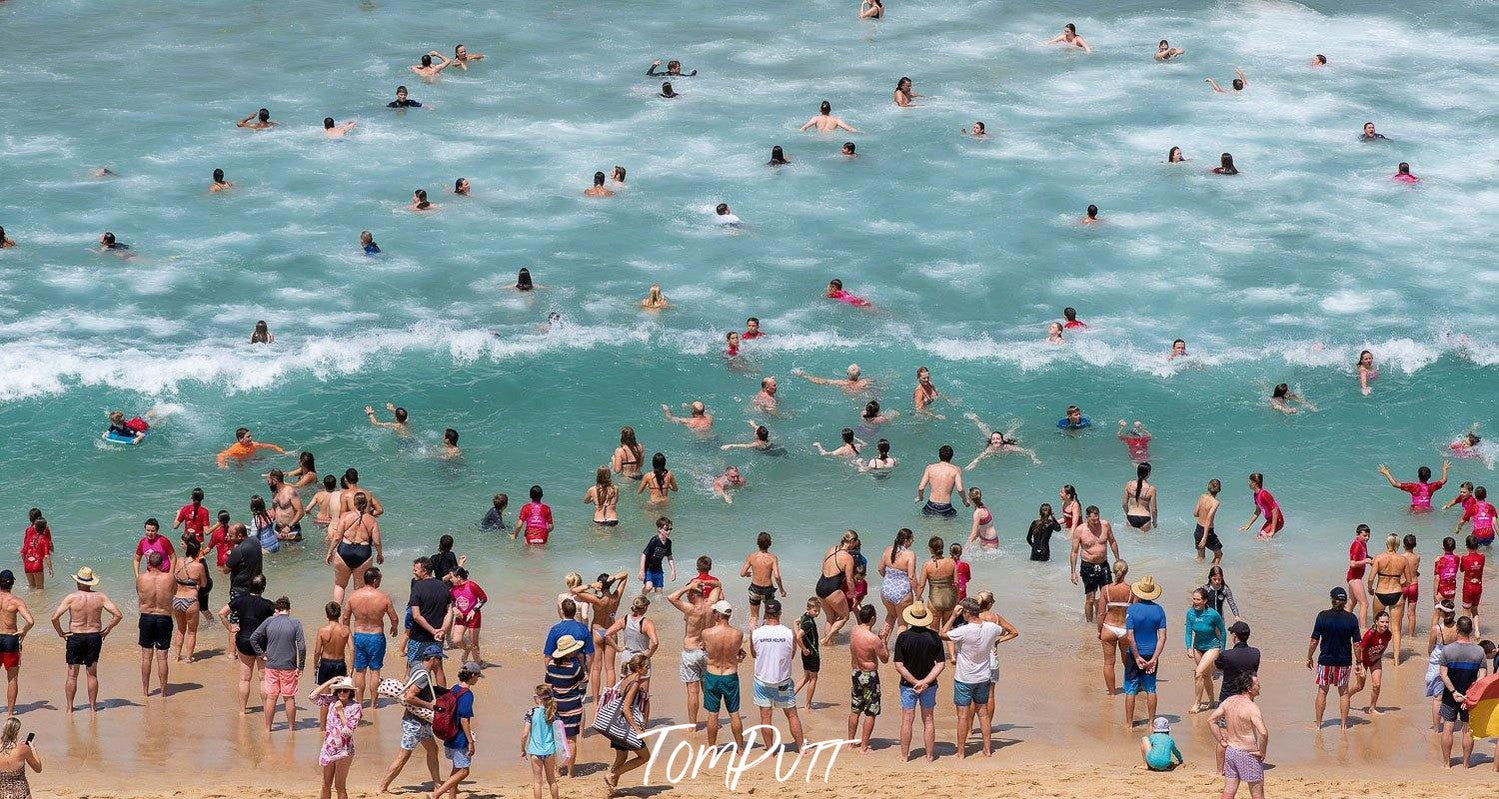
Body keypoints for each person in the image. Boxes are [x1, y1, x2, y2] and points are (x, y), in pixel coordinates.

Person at [941, 597, 1014, 758]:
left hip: (964, 677)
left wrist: (952, 616)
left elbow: (942, 634)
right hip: (983, 676)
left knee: (962, 716)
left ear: (966, 613)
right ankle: (987, 749)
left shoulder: (963, 631)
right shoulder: (991, 628)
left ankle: (961, 752)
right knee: (984, 714)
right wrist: (998, 642)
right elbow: (1010, 631)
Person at [51, 567, 123, 714]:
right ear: (91, 582)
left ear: (78, 582)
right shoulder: (100, 597)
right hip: (94, 637)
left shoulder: (71, 598)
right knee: (92, 674)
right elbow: (118, 615)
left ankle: (70, 708)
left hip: (75, 637)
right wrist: (107, 629)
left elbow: (54, 617)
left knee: (72, 674)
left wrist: (61, 633)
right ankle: (92, 707)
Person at [378, 644, 445, 793]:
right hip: (414, 723)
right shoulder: (423, 676)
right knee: (403, 756)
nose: (440, 662)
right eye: (439, 659)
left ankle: (437, 784)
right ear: (433, 659)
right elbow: (409, 697)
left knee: (433, 750)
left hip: (421, 722)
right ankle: (382, 787)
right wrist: (430, 705)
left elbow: (409, 664)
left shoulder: (418, 667)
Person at [750, 600, 804, 748]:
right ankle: (801, 748)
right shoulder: (789, 633)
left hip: (762, 681)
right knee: (792, 714)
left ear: (765, 613)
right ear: (780, 613)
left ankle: (770, 749)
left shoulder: (756, 633)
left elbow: (754, 654)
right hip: (783, 682)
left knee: (766, 716)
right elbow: (791, 655)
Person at [893, 603, 944, 762]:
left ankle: (904, 756)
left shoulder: (903, 637)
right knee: (928, 719)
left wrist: (916, 682)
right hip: (929, 685)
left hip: (908, 685)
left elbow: (898, 665)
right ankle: (929, 756)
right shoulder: (934, 636)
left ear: (911, 618)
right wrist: (925, 682)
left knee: (907, 719)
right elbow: (940, 664)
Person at [342, 567, 398, 708]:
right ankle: (373, 703)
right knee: (375, 671)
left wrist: (347, 633)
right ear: (375, 580)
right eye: (380, 579)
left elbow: (345, 617)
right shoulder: (383, 597)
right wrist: (394, 627)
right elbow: (394, 618)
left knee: (360, 671)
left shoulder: (353, 596)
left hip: (359, 636)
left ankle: (359, 703)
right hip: (376, 637)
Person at [1308, 586, 1362, 729]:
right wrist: (1359, 661)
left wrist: (1309, 657)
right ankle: (1344, 725)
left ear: (1332, 599)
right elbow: (1357, 644)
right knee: (1344, 692)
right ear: (1345, 602)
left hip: (1325, 660)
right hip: (1344, 661)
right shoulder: (1351, 619)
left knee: (1322, 691)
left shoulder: (1322, 616)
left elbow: (1314, 640)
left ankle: (1319, 725)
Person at [1437, 616, 1487, 767]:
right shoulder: (1479, 651)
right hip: (1470, 697)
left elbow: (1443, 675)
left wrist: (1453, 692)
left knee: (1448, 727)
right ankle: (1465, 764)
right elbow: (1483, 677)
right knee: (1467, 729)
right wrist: (1469, 694)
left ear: (1457, 630)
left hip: (1450, 695)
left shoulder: (1447, 650)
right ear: (1471, 631)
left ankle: (1446, 764)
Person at [250, 596, 306, 732]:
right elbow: (302, 647)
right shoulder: (295, 623)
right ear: (289, 610)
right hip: (289, 666)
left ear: (276, 609)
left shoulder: (269, 621)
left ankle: (268, 728)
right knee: (289, 698)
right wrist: (301, 666)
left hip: (271, 666)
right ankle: (292, 728)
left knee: (271, 697)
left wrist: (261, 654)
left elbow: (253, 638)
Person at [1209, 675, 1269, 799]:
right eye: (1257, 684)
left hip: (1231, 751)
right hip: (1248, 753)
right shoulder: (1252, 707)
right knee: (1257, 794)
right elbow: (1263, 733)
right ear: (1249, 689)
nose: (1259, 686)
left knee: (1229, 791)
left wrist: (1221, 740)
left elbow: (1211, 720)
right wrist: (1262, 752)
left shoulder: (1229, 701)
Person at [700, 600, 746, 748]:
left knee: (713, 714)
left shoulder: (706, 633)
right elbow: (735, 652)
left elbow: (707, 649)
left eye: (715, 612)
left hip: (712, 674)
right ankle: (740, 748)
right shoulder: (738, 634)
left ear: (718, 614)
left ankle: (712, 748)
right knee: (734, 713)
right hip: (730, 675)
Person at [603, 655, 651, 795]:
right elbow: (626, 708)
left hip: (618, 725)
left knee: (621, 757)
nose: (648, 669)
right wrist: (636, 728)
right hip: (626, 727)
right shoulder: (635, 683)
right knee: (645, 757)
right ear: (638, 668)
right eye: (646, 666)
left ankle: (611, 790)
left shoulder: (626, 679)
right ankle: (612, 776)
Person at [1123, 575, 1166, 726]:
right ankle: (1151, 722)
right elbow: (1162, 637)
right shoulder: (1159, 610)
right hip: (1151, 653)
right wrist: (1154, 658)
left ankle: (1129, 723)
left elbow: (1130, 637)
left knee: (1130, 689)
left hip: (1134, 653)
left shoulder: (1132, 610)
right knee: (1151, 688)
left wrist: (1136, 656)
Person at [432, 663, 480, 799]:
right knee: (464, 771)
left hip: (449, 734)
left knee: (456, 769)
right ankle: (436, 794)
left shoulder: (454, 688)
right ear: (472, 675)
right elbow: (464, 720)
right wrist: (470, 741)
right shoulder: (467, 694)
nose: (477, 679)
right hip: (459, 737)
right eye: (477, 676)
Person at [309, 675, 361, 799]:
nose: (342, 693)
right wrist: (329, 681)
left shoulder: (356, 707)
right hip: (328, 748)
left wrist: (340, 711)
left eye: (345, 690)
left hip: (344, 750)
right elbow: (312, 696)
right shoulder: (332, 700)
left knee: (340, 786)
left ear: (351, 692)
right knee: (325, 784)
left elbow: (348, 731)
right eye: (339, 690)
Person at [846, 604, 887, 751]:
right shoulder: (873, 639)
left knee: (855, 708)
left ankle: (850, 743)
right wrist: (883, 640)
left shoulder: (854, 631)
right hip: (869, 675)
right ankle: (863, 746)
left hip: (855, 672)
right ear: (873, 618)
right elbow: (885, 658)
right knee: (871, 711)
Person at [1071, 505, 1120, 623]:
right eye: (1093, 520)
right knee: (1090, 598)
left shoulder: (1105, 525)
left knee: (1108, 595)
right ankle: (1089, 624)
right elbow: (1074, 552)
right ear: (1087, 518)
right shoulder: (1080, 530)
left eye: (1097, 519)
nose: (1096, 522)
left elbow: (1112, 541)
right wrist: (1073, 572)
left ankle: (1104, 620)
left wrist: (1118, 560)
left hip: (1103, 564)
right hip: (1088, 566)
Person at [1185, 588, 1226, 712]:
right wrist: (1189, 647)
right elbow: (1188, 633)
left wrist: (1222, 650)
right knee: (1206, 675)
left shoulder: (1213, 614)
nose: (1195, 602)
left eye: (1198, 599)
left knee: (1198, 673)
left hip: (1212, 647)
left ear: (1205, 600)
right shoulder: (1190, 613)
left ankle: (1197, 704)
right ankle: (1212, 702)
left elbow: (1223, 631)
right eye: (1194, 599)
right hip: (1198, 647)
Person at [0, 571, 34, 716]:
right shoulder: (16, 601)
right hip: (10, 639)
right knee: (12, 678)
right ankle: (10, 713)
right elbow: (30, 621)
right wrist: (23, 631)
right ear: (12, 584)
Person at [313, 601, 351, 728]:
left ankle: (323, 727)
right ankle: (339, 723)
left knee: (325, 698)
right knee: (340, 696)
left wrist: (315, 665)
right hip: (340, 663)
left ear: (326, 614)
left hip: (326, 664)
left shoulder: (322, 631)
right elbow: (352, 649)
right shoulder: (346, 630)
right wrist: (351, 668)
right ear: (339, 614)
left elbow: (317, 651)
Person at [521, 684, 563, 799]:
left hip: (535, 751)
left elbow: (525, 734)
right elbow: (559, 733)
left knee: (537, 782)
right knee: (552, 780)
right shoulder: (553, 712)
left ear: (539, 698)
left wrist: (523, 749)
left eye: (535, 696)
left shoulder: (531, 712)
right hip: (550, 750)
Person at [815, 532, 856, 643]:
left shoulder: (831, 549)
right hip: (832, 588)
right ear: (852, 541)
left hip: (820, 585)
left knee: (830, 617)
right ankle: (826, 639)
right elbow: (849, 580)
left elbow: (822, 568)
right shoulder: (848, 558)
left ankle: (828, 644)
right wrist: (853, 595)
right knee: (844, 617)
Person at [169, 541, 206, 662]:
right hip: (190, 600)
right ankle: (189, 658)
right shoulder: (198, 566)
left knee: (180, 629)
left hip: (176, 599)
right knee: (191, 632)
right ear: (196, 552)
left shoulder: (179, 561)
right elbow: (204, 584)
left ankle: (177, 656)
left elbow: (173, 576)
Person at [1349, 611, 1392, 714]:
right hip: (1363, 661)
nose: (1385, 625)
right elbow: (1360, 648)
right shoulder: (1370, 634)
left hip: (1375, 661)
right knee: (1360, 687)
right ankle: (1347, 696)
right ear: (1376, 622)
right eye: (1382, 622)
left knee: (1377, 685)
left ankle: (1372, 708)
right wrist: (1360, 665)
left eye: (1387, 622)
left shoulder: (1388, 634)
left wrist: (1379, 655)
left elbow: (1384, 646)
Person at [740, 532, 786, 628]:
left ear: (758, 543)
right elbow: (777, 576)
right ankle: (765, 637)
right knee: (768, 616)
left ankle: (753, 639)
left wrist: (747, 574)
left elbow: (742, 573)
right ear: (769, 544)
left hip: (754, 588)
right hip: (767, 590)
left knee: (754, 617)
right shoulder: (773, 558)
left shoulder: (751, 556)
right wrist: (782, 590)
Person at [964, 413, 1041, 467]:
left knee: (1009, 434)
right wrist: (973, 463)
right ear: (991, 441)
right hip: (998, 443)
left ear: (1001, 441)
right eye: (993, 439)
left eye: (998, 439)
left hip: (1005, 441)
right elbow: (979, 458)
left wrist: (1034, 459)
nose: (995, 440)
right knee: (985, 431)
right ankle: (975, 419)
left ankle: (1015, 426)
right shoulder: (990, 449)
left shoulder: (1009, 447)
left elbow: (1029, 451)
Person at [915, 445, 969, 517]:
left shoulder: (930, 468)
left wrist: (920, 497)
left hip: (931, 505)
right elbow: (960, 489)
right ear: (952, 456)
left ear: (939, 456)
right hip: (946, 507)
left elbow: (921, 488)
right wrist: (965, 500)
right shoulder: (956, 470)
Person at [0, 718, 41, 799]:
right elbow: (38, 769)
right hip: (21, 793)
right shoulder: (23, 749)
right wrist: (33, 749)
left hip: (2, 793)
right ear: (17, 731)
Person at [793, 598, 820, 708]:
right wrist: (804, 648)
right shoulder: (809, 623)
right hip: (812, 653)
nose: (817, 613)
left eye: (818, 610)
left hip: (806, 653)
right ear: (808, 609)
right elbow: (799, 637)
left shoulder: (804, 616)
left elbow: (795, 622)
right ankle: (807, 705)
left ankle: (789, 697)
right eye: (815, 611)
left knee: (806, 677)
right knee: (813, 678)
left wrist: (803, 649)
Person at [216, 426, 287, 468]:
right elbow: (221, 455)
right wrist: (222, 464)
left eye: (250, 436)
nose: (251, 438)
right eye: (248, 437)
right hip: (240, 462)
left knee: (269, 461)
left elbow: (268, 446)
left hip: (251, 459)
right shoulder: (235, 449)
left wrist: (281, 451)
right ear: (241, 439)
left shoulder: (253, 444)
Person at [1240, 473, 1284, 538]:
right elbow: (1257, 511)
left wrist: (1272, 531)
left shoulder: (1264, 494)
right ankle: (1273, 547)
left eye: (1249, 481)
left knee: (1262, 537)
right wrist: (1248, 525)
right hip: (1269, 521)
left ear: (1254, 483)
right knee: (1259, 537)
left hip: (1278, 520)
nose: (1248, 483)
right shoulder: (1256, 495)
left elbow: (1274, 511)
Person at [1346, 524, 1374, 625]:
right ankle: (1363, 629)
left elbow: (1364, 556)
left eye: (1368, 536)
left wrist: (1371, 559)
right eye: (1364, 536)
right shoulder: (1356, 544)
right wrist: (1365, 561)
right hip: (1354, 577)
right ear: (1358, 534)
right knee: (1364, 604)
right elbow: (1353, 563)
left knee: (1352, 602)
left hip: (1356, 577)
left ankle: (1343, 622)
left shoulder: (1363, 544)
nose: (1367, 538)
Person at [640, 517, 676, 592]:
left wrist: (673, 571)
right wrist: (642, 570)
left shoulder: (669, 542)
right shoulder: (654, 540)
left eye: (670, 529)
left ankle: (655, 603)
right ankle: (642, 597)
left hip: (658, 569)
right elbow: (644, 554)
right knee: (649, 587)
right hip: (648, 568)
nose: (669, 532)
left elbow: (669, 557)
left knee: (659, 591)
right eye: (666, 529)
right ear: (659, 529)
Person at [1194, 479, 1224, 564]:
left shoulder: (1202, 496)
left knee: (1200, 557)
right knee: (1219, 555)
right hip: (1208, 533)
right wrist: (1205, 537)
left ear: (1208, 487)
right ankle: (1212, 573)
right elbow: (1208, 519)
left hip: (1198, 529)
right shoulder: (1215, 503)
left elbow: (1195, 513)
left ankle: (1198, 575)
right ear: (1219, 490)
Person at [1122, 462, 1158, 531]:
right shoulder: (1151, 489)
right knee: (1145, 541)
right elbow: (1154, 510)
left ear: (1137, 472)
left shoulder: (1129, 484)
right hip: (1145, 518)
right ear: (1148, 473)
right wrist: (1155, 522)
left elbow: (1124, 504)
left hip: (1131, 516)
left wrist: (1128, 515)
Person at [19, 516, 53, 589]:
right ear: (44, 528)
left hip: (27, 564)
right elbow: (47, 556)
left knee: (31, 586)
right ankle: (39, 601)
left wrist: (26, 562)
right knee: (40, 588)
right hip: (37, 565)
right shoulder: (45, 540)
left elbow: (22, 553)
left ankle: (30, 600)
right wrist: (50, 569)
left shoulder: (30, 538)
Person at [794, 362, 871, 393]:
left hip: (850, 395)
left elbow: (822, 382)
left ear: (847, 373)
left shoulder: (842, 383)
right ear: (859, 374)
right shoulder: (865, 382)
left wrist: (804, 375)